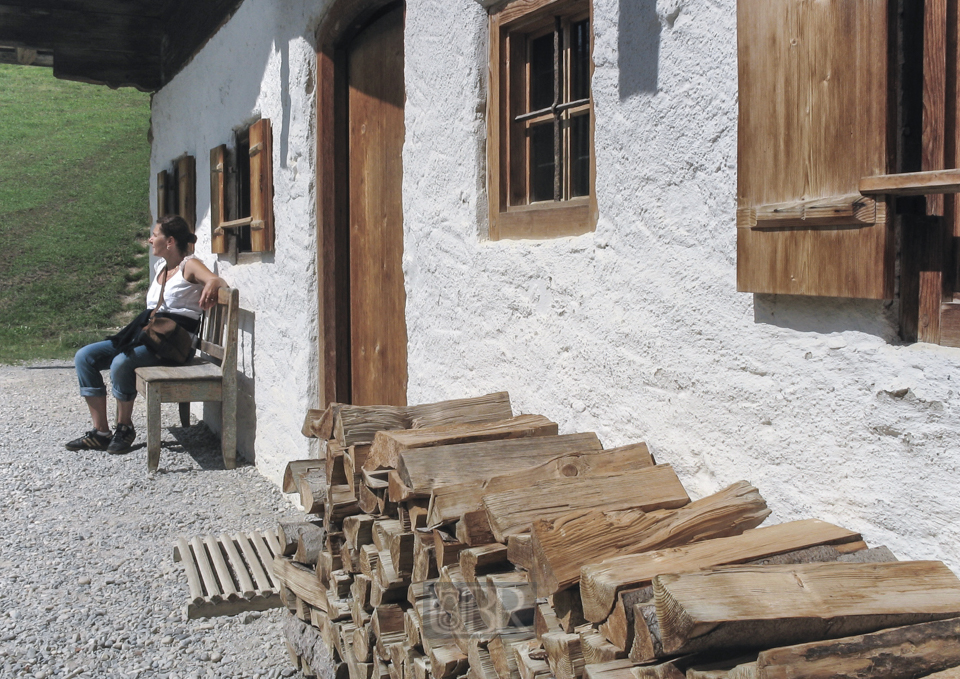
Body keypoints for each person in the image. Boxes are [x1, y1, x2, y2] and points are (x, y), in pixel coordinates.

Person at [66, 215, 227, 454]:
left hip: (173, 345)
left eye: (155, 235)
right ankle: (100, 432)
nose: (150, 239)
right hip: (150, 337)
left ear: (170, 241)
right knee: (84, 357)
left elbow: (215, 279)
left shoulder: (189, 264)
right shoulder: (161, 267)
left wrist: (213, 283)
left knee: (122, 362)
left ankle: (125, 428)